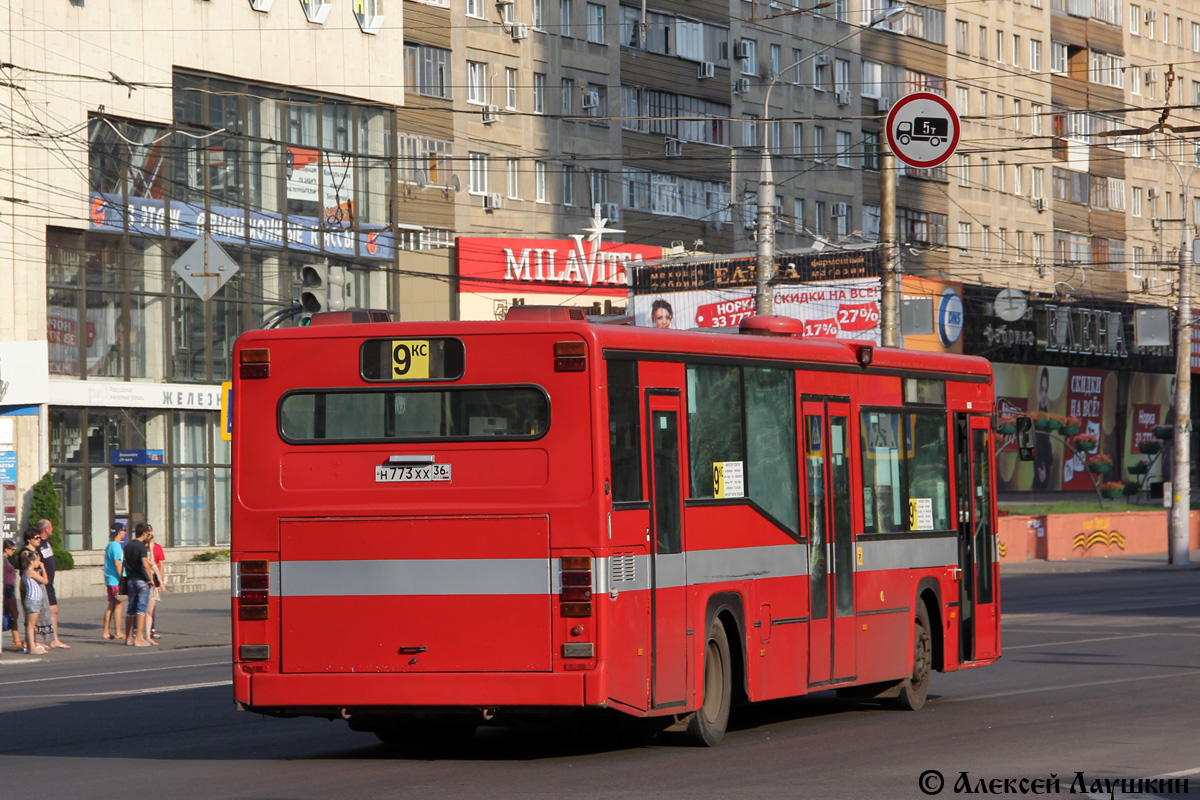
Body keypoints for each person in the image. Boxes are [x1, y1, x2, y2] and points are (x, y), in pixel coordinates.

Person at [34, 519, 70, 649]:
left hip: (50, 583)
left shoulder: (46, 543)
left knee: (53, 609)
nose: (53, 530)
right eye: (51, 527)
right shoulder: (37, 544)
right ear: (46, 530)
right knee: (39, 612)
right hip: (42, 583)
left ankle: (54, 639)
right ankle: (37, 639)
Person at [123, 523, 155, 646]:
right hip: (141, 580)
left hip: (130, 579)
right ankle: (138, 639)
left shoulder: (128, 546)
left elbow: (125, 562)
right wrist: (150, 579)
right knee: (141, 609)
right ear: (144, 533)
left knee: (130, 609)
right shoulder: (141, 547)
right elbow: (145, 564)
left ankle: (128, 637)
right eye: (148, 533)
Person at [20, 530, 50, 655]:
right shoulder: (30, 572)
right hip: (33, 599)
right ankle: (31, 647)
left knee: (32, 624)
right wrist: (43, 568)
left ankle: (32, 645)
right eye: (37, 561)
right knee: (31, 625)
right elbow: (45, 580)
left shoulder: (28, 572)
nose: (39, 563)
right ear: (32, 561)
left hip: (34, 599)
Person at [102, 522, 126, 640]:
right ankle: (118, 631)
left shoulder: (110, 545)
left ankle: (106, 631)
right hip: (116, 580)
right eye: (124, 530)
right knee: (119, 605)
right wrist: (123, 577)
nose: (124, 533)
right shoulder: (116, 546)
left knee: (111, 605)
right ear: (120, 532)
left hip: (109, 579)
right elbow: (117, 563)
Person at [1032, 367, 1053, 491]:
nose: (1044, 394)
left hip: (1046, 461)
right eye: (1042, 390)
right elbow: (1037, 442)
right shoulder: (1036, 415)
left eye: (1046, 390)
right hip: (1040, 464)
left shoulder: (1047, 413)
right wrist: (1040, 467)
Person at [145, 530, 166, 640]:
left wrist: (160, 581)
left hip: (152, 582)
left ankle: (149, 634)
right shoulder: (141, 550)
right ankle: (137, 632)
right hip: (144, 582)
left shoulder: (156, 548)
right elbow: (149, 566)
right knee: (141, 610)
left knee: (150, 611)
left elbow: (156, 565)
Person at [3, 538, 24, 651]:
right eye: (11, 549)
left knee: (13, 613)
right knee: (13, 613)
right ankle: (16, 639)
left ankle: (16, 638)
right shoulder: (3, 560)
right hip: (7, 589)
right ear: (5, 549)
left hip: (9, 588)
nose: (13, 551)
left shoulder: (6, 560)